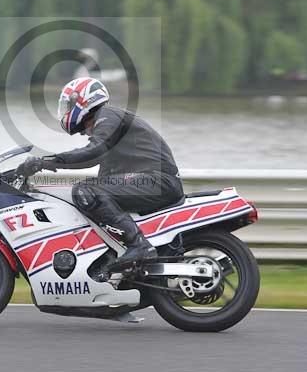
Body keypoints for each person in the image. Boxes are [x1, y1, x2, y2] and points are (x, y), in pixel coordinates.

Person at [16, 77, 184, 267]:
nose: (66, 111)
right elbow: (94, 162)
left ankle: (139, 246)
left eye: (69, 105)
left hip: (157, 181)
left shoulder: (108, 115)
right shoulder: (107, 124)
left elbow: (93, 152)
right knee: (91, 190)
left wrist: (45, 161)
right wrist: (45, 165)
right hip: (152, 180)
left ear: (84, 101)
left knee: (86, 190)